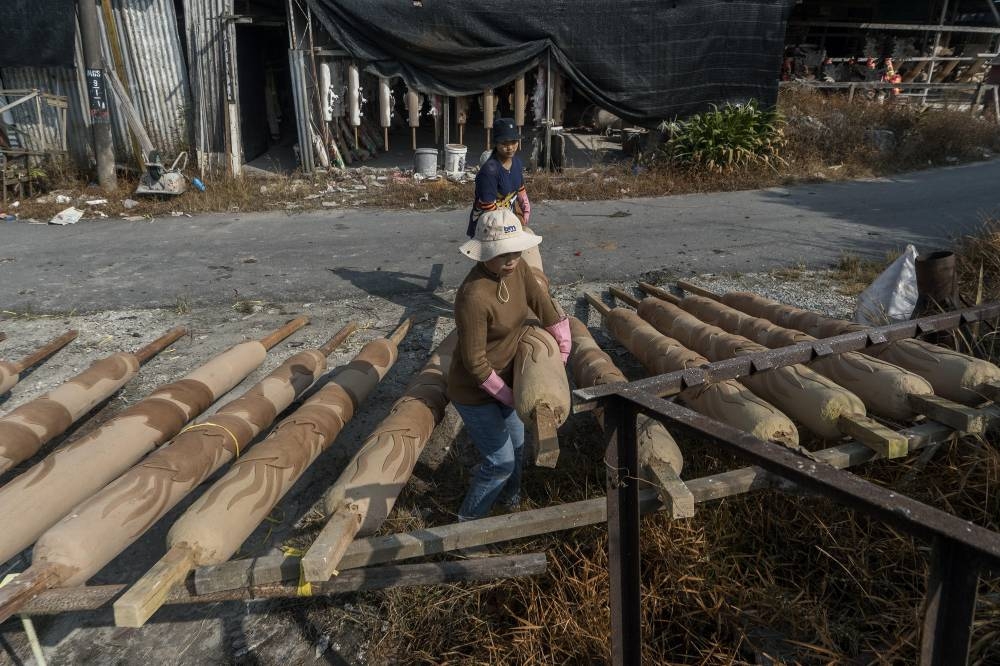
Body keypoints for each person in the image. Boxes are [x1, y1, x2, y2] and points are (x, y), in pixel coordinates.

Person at [450, 208, 570, 521]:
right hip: (475, 393)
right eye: (503, 253)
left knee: (518, 446)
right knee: (500, 462)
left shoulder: (517, 271)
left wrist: (562, 340)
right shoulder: (473, 296)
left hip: (508, 378)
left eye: (516, 251)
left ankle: (511, 504)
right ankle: (467, 526)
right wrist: (510, 396)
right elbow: (475, 363)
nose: (512, 259)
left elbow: (542, 303)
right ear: (484, 254)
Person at [467, 117, 532, 238]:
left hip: (508, 218)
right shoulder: (489, 171)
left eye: (514, 142)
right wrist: (508, 222)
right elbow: (487, 205)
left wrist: (524, 202)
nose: (510, 147)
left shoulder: (517, 163)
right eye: (505, 143)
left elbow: (519, 186)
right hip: (488, 223)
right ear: (496, 143)